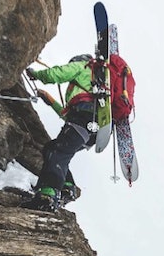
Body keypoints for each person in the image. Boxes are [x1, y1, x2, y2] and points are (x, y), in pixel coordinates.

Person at [20, 54, 102, 211]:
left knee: (56, 153)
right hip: (94, 130)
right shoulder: (95, 87)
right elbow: (67, 114)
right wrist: (51, 101)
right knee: (54, 150)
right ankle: (67, 187)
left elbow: (56, 74)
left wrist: (36, 75)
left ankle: (47, 196)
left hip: (82, 120)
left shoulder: (83, 66)